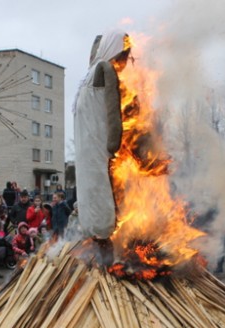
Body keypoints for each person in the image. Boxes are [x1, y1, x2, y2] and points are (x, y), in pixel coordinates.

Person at [73, 32, 130, 241]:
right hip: (96, 144)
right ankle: (102, 234)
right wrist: (113, 143)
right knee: (99, 187)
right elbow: (112, 110)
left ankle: (99, 233)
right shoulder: (105, 69)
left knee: (94, 189)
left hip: (87, 146)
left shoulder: (85, 79)